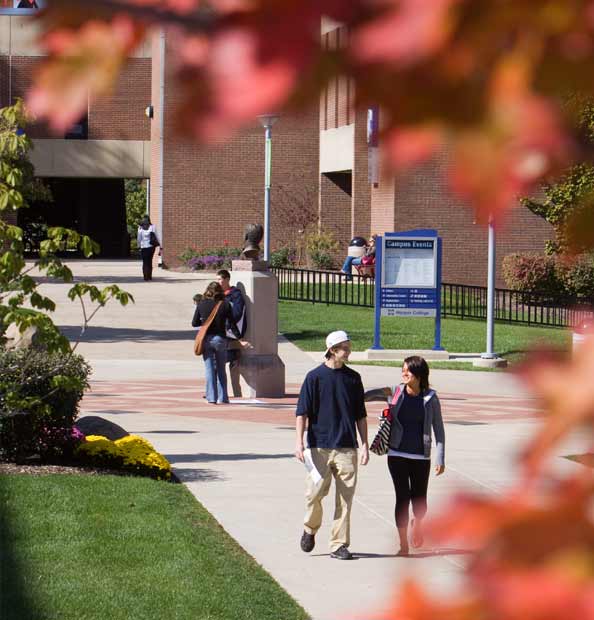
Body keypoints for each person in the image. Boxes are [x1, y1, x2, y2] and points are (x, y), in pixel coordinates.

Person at [295, 330, 369, 560]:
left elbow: (361, 415)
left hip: (347, 446)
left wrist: (365, 444)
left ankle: (338, 545)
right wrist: (298, 442)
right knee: (314, 494)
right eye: (344, 348)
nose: (348, 351)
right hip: (319, 446)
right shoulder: (314, 377)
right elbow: (302, 412)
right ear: (332, 350)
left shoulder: (353, 378)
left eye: (349, 346)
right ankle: (310, 528)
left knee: (345, 499)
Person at [365, 356, 445, 556]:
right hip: (396, 453)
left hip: (421, 456)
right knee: (402, 497)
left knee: (419, 500)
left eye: (408, 371)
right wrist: (352, 394)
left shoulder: (431, 398)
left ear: (419, 374)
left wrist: (440, 457)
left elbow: (439, 430)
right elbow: (369, 395)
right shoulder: (394, 391)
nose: (404, 374)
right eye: (403, 370)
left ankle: (417, 523)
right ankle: (403, 545)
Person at [192, 281, 239, 404]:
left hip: (206, 339)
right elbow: (232, 324)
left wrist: (204, 321)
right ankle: (223, 398)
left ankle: (211, 397)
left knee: (209, 369)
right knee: (221, 368)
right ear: (220, 292)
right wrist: (240, 338)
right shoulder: (225, 304)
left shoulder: (201, 304)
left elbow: (194, 323)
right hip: (220, 339)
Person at [216, 269, 247, 398]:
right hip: (220, 334)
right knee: (217, 364)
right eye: (217, 279)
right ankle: (217, 392)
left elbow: (237, 313)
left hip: (232, 335)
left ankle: (236, 394)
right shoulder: (217, 294)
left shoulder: (236, 295)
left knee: (233, 366)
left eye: (220, 279)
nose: (218, 282)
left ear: (227, 279)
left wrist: (225, 321)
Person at [137, 216, 159, 281]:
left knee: (145, 262)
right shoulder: (153, 227)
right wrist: (160, 245)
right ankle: (149, 276)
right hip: (151, 247)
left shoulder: (140, 228)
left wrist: (138, 246)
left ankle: (145, 277)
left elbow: (139, 239)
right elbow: (157, 236)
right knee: (149, 261)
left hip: (144, 247)